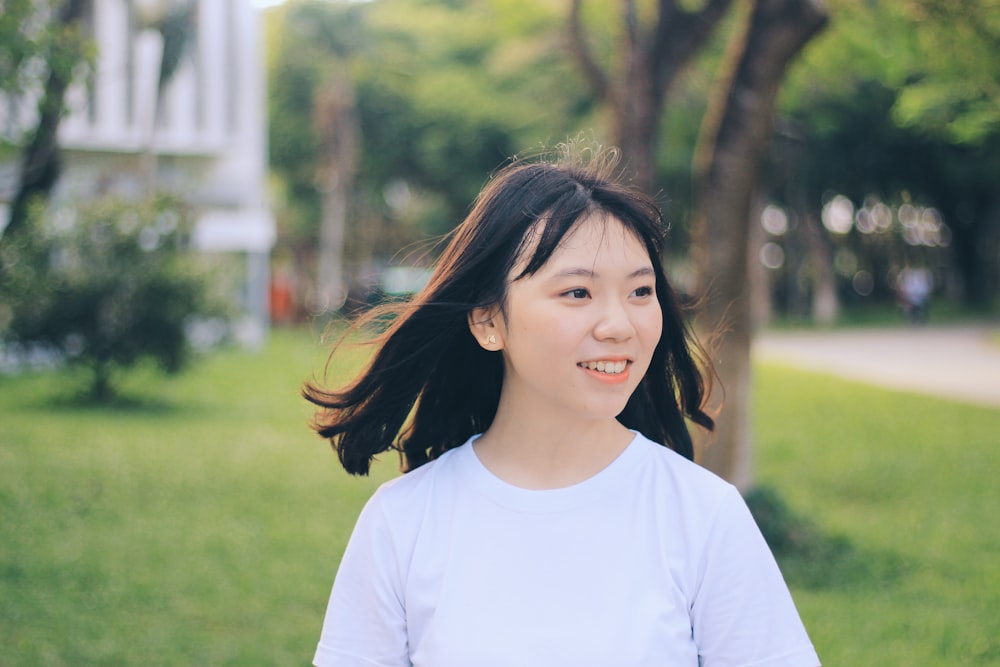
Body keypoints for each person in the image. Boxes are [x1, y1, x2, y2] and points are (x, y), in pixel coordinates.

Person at [304, 147, 820, 667]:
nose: (619, 324)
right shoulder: (402, 523)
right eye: (577, 292)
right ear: (488, 321)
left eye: (641, 291)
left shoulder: (704, 516)